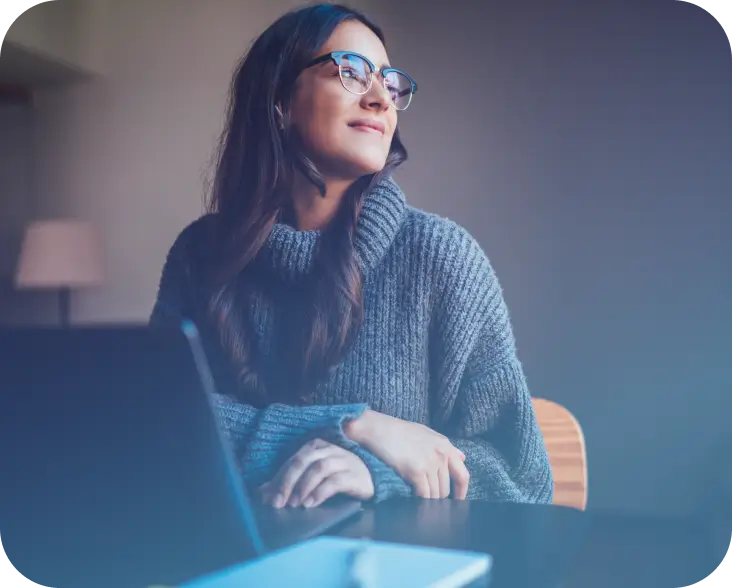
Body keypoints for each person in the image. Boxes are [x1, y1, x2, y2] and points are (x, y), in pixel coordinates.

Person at [150, 3, 552, 509]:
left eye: (389, 82)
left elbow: (521, 477)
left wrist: (378, 472)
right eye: (352, 72)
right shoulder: (199, 255)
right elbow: (156, 425)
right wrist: (355, 425)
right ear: (280, 100)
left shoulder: (442, 259)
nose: (382, 98)